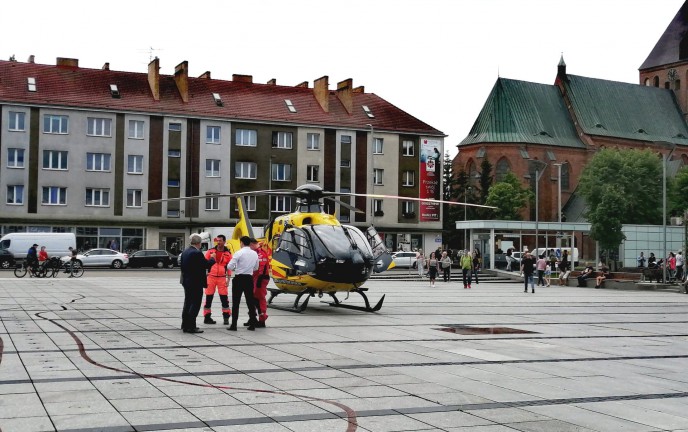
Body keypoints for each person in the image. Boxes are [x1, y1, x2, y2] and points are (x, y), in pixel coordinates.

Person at [180, 234, 216, 334]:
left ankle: (185, 324)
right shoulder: (197, 253)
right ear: (198, 243)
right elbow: (206, 264)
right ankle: (192, 326)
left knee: (187, 303)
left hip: (186, 281)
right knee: (195, 304)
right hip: (195, 282)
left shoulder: (185, 251)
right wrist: (212, 258)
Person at [227, 236, 259, 331]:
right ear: (249, 243)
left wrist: (236, 268)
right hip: (249, 278)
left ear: (241, 243)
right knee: (250, 302)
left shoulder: (239, 253)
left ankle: (234, 325)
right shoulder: (254, 254)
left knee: (236, 302)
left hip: (239, 278)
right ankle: (252, 324)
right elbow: (256, 267)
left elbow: (229, 266)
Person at [203, 235, 233, 325]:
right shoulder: (210, 251)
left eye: (220, 241)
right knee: (208, 298)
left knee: (224, 298)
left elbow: (229, 267)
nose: (218, 242)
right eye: (217, 241)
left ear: (224, 241)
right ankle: (207, 317)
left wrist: (228, 279)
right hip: (211, 277)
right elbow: (204, 264)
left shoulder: (228, 254)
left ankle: (226, 317)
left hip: (222, 278)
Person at [250, 238, 271, 327]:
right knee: (253, 298)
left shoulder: (260, 253)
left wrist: (259, 280)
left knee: (259, 298)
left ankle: (262, 319)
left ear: (253, 244)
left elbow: (262, 268)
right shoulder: (255, 252)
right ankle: (252, 318)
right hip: (255, 278)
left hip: (260, 279)